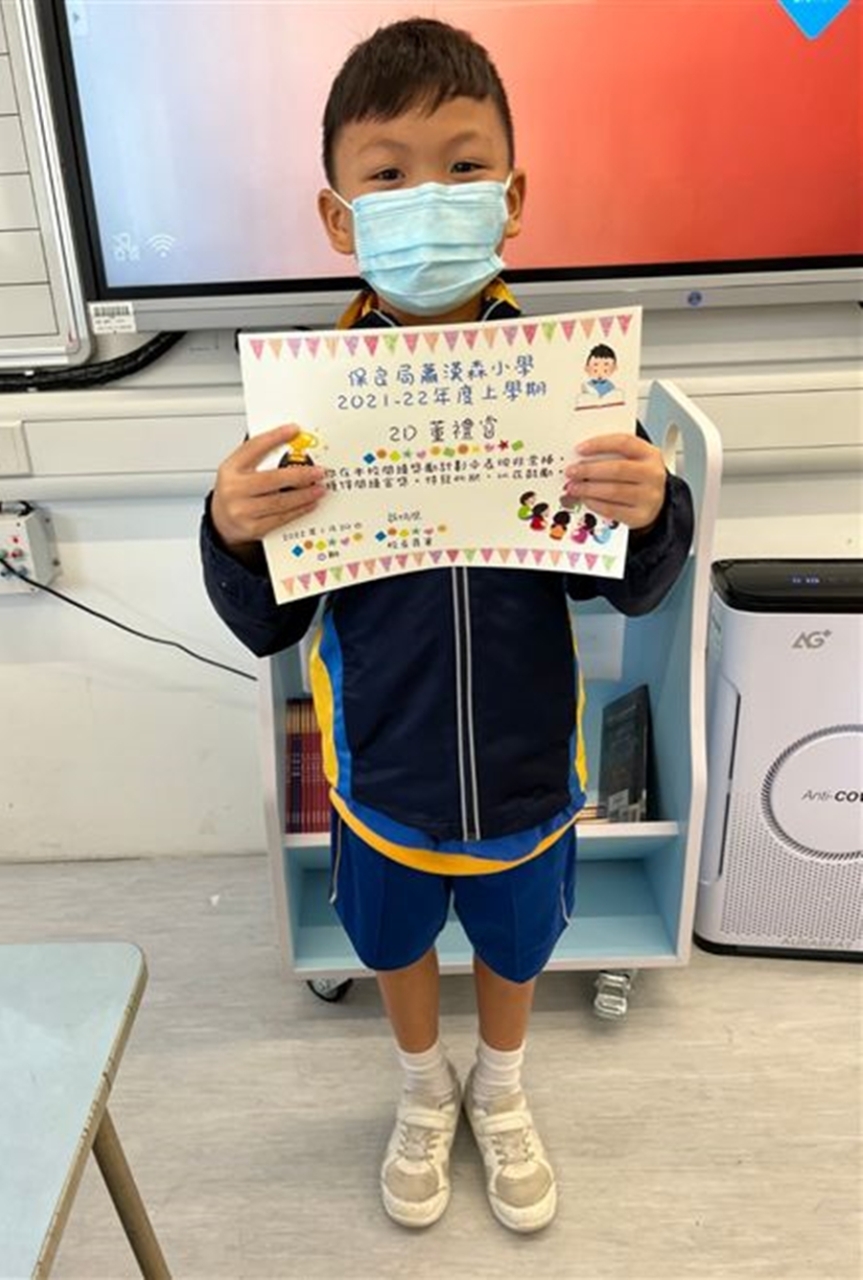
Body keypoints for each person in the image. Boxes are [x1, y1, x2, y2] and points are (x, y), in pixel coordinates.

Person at [200, 18, 693, 1235]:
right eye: (387, 174)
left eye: (463, 166)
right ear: (338, 217)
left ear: (510, 197)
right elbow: (267, 619)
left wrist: (652, 508)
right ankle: (423, 1085)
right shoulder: (304, 404)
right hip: (382, 767)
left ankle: (500, 1085)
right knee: (393, 939)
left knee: (517, 946)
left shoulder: (574, 385)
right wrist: (230, 531)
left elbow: (625, 586)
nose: (427, 197)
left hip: (529, 765)